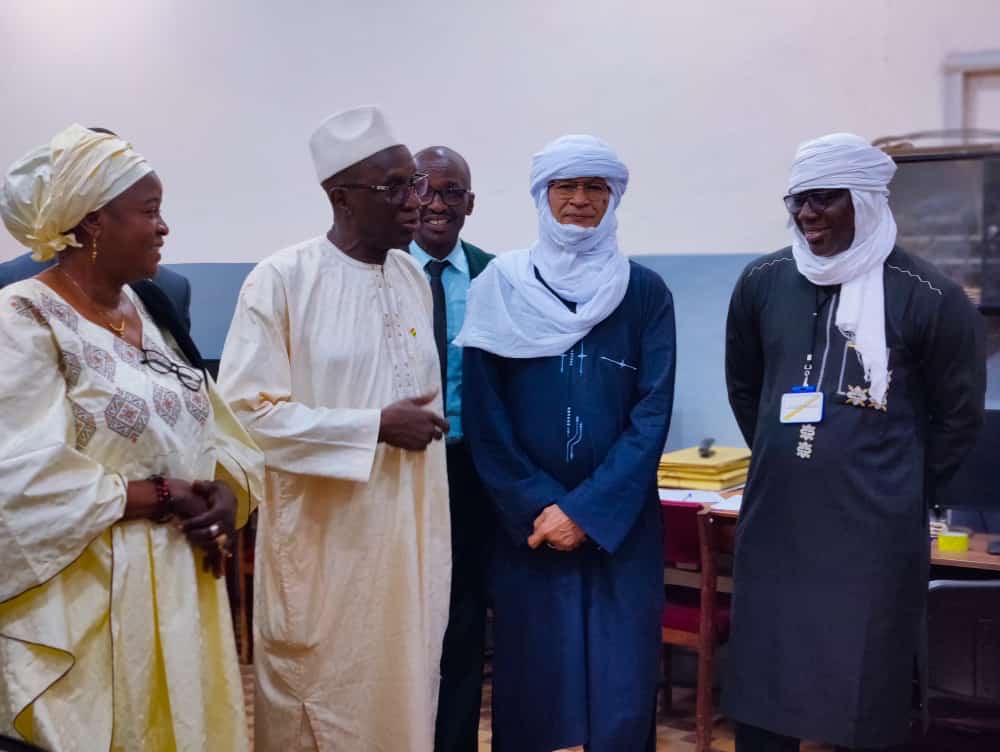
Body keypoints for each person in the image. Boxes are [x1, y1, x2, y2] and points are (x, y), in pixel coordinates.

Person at [0, 124, 264, 751]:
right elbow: (18, 476)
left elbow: (214, 425)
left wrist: (226, 494)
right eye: (149, 211)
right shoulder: (24, 319)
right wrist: (157, 495)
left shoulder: (152, 309)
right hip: (82, 597)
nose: (164, 227)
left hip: (178, 589)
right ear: (91, 223)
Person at [722, 133, 986, 751]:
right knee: (765, 694)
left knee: (865, 701)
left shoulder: (931, 296)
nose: (807, 214)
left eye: (824, 199)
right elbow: (747, 390)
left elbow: (959, 420)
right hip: (778, 528)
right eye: (798, 201)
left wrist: (893, 486)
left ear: (865, 201)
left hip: (873, 542)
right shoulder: (762, 281)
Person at [218, 106, 451, 752]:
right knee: (321, 706)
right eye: (396, 188)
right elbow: (245, 418)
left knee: (404, 700)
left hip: (411, 537)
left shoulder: (411, 278)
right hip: (326, 553)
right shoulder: (282, 281)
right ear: (339, 197)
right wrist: (372, 427)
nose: (417, 203)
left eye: (417, 185)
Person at [456, 134, 676, 752]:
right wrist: (541, 507)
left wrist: (586, 512)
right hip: (528, 529)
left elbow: (651, 412)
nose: (580, 201)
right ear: (542, 195)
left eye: (594, 188)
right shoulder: (499, 283)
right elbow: (485, 417)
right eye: (566, 187)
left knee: (620, 694)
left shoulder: (646, 292)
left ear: (613, 198)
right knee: (534, 692)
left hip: (619, 528)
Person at [409, 145, 494, 752]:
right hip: (400, 468)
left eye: (452, 192)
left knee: (464, 618)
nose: (438, 205)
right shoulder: (379, 270)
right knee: (402, 616)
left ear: (470, 203)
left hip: (470, 469)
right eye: (426, 190)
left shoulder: (497, 275)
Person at [0, 129, 193, 330]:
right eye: (150, 211)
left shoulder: (164, 294)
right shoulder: (16, 299)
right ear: (92, 219)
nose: (164, 228)